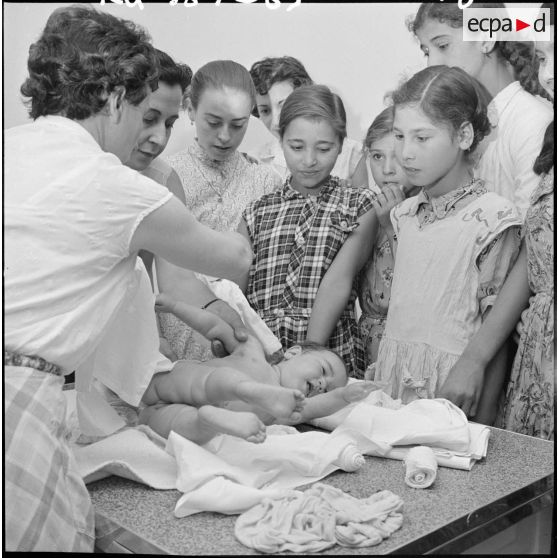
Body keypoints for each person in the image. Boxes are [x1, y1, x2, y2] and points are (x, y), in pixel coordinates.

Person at [4, 6, 252, 552]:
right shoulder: (112, 183)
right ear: (116, 98)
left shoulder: (11, 149)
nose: (155, 134)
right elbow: (231, 260)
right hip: (18, 402)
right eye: (144, 112)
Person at [369, 65, 522, 409]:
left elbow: (497, 335)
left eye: (421, 138)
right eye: (399, 135)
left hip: (451, 396)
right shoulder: (402, 215)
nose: (405, 152)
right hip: (394, 390)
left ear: (464, 136)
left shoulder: (493, 219)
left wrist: (482, 424)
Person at [439, 3, 555, 439]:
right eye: (544, 56)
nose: (547, 74)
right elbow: (536, 249)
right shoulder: (550, 136)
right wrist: (477, 356)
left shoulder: (528, 119)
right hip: (537, 355)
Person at [239, 84, 378, 378]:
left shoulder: (358, 204)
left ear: (341, 144)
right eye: (297, 147)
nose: (310, 160)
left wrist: (311, 348)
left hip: (327, 353)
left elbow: (338, 280)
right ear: (281, 140)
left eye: (324, 148)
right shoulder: (256, 212)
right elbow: (235, 290)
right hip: (260, 355)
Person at [125, 50, 247, 359]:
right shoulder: (80, 170)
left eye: (168, 124)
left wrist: (212, 306)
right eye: (149, 119)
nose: (158, 138)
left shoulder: (162, 178)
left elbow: (175, 274)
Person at [158, 60, 282, 362]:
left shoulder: (266, 179)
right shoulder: (166, 174)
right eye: (214, 122)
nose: (225, 136)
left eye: (237, 125)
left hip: (245, 326)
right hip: (182, 319)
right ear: (190, 109)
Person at [140, 294, 376, 444]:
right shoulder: (252, 351)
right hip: (182, 386)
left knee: (178, 427)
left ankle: (208, 420)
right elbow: (213, 325)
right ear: (293, 353)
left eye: (328, 389)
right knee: (214, 382)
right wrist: (176, 306)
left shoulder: (287, 408)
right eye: (323, 370)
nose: (323, 384)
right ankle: (245, 389)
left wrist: (344, 396)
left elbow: (318, 408)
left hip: (168, 406)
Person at [409, 1, 553, 219]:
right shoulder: (456, 123)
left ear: (486, 38)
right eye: (427, 51)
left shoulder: (533, 120)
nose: (432, 63)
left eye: (443, 46)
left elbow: (532, 234)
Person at [356, 107, 420, 369]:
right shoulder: (365, 206)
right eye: (377, 156)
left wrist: (390, 224)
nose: (387, 170)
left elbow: (418, 286)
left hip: (406, 345)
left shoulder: (424, 208)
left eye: (397, 157)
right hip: (364, 341)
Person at [249, 56, 365, 184]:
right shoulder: (254, 161)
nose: (276, 121)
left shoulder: (353, 154)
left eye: (284, 105)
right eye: (265, 111)